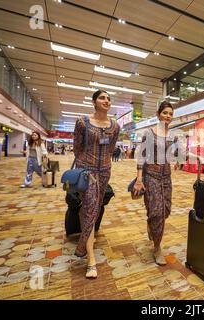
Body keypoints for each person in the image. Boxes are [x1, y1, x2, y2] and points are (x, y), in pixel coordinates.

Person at [73, 89, 120, 278]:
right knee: (91, 207)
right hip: (87, 171)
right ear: (94, 102)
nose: (106, 101)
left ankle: (84, 241)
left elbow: (111, 148)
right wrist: (84, 166)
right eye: (102, 98)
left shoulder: (115, 126)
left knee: (95, 207)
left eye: (109, 98)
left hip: (105, 171)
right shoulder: (82, 122)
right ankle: (90, 259)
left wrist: (104, 164)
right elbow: (77, 147)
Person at [133, 101, 177, 266]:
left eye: (171, 114)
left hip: (166, 177)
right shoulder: (149, 133)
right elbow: (142, 156)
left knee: (165, 210)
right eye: (165, 113)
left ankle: (151, 223)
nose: (168, 116)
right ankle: (157, 248)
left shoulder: (172, 135)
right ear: (158, 114)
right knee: (157, 213)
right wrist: (139, 179)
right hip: (150, 175)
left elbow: (176, 154)